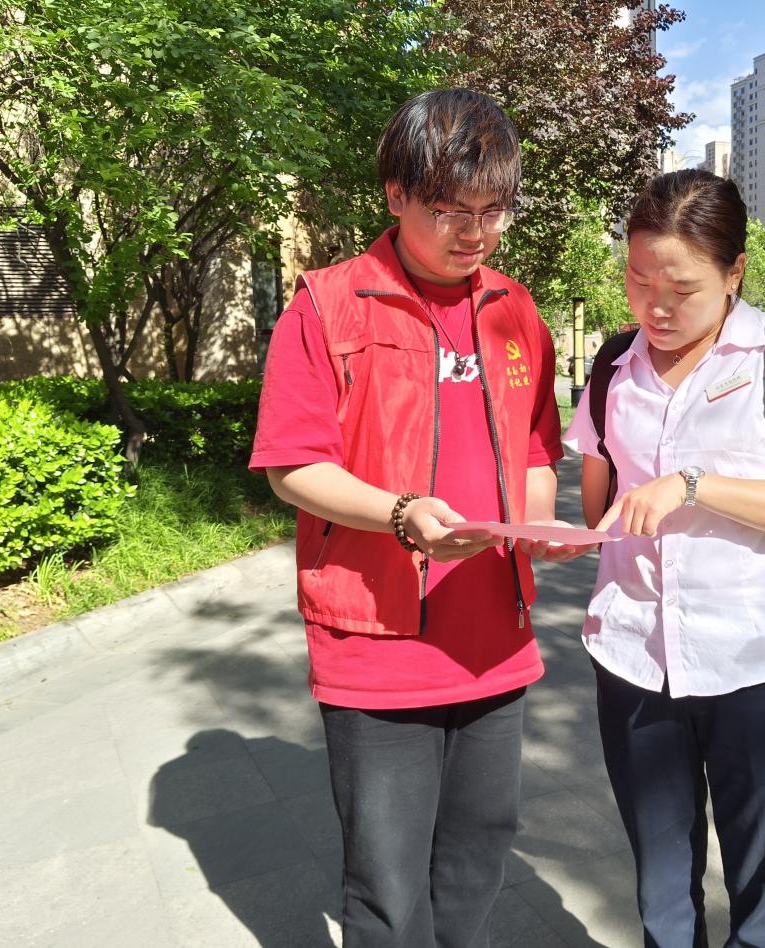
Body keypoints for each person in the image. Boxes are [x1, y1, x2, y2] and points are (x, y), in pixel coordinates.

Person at [250, 88, 591, 947]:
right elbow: (292, 465)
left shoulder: (514, 308)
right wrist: (401, 514)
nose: (475, 232)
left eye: (493, 210)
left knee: (480, 854)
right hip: (377, 645)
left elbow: (536, 447)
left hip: (495, 643)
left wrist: (539, 528)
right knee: (388, 886)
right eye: (450, 210)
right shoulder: (328, 305)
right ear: (396, 194)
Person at [563, 169, 765, 947]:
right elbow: (598, 509)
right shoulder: (612, 368)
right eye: (637, 279)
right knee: (662, 892)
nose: (654, 306)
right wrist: (556, 536)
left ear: (734, 272)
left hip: (758, 662)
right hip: (635, 661)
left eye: (681, 288)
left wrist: (693, 485)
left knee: (764, 896)